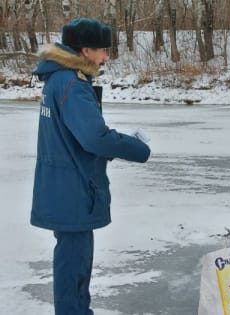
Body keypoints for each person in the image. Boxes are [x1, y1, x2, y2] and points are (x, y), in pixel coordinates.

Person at [30, 18, 151, 314]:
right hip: (72, 188)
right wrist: (137, 148)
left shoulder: (59, 79)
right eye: (103, 51)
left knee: (75, 263)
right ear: (85, 50)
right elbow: (93, 137)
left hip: (64, 184)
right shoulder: (71, 83)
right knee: (73, 266)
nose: (106, 57)